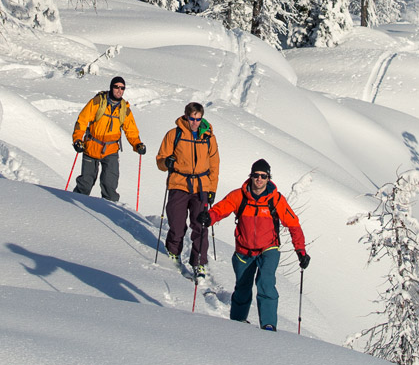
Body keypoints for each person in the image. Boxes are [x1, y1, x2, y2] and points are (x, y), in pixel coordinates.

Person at [197, 159, 310, 331]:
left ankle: (268, 325)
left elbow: (293, 224)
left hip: (268, 249)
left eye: (263, 176)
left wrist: (300, 251)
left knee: (266, 282)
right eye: (256, 175)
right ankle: (237, 322)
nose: (259, 179)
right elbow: (220, 209)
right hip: (244, 250)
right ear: (251, 176)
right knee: (242, 287)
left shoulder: (276, 200)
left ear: (268, 178)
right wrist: (209, 217)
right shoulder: (238, 196)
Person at [155, 101, 219, 279]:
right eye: (192, 118)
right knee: (176, 223)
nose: (195, 123)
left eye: (198, 119)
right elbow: (160, 160)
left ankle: (199, 263)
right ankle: (173, 252)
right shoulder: (174, 134)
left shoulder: (208, 137)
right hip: (179, 183)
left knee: (201, 225)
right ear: (186, 116)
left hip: (201, 186)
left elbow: (214, 164)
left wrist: (212, 189)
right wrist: (166, 162)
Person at [72, 76, 145, 201]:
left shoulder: (124, 109)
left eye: (122, 88)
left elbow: (131, 130)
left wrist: (137, 144)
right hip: (91, 146)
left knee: (110, 185)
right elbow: (82, 121)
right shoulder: (97, 102)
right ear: (111, 87)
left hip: (111, 150)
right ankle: (74, 206)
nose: (119, 90)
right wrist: (77, 140)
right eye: (116, 87)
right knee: (85, 183)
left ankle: (109, 209)